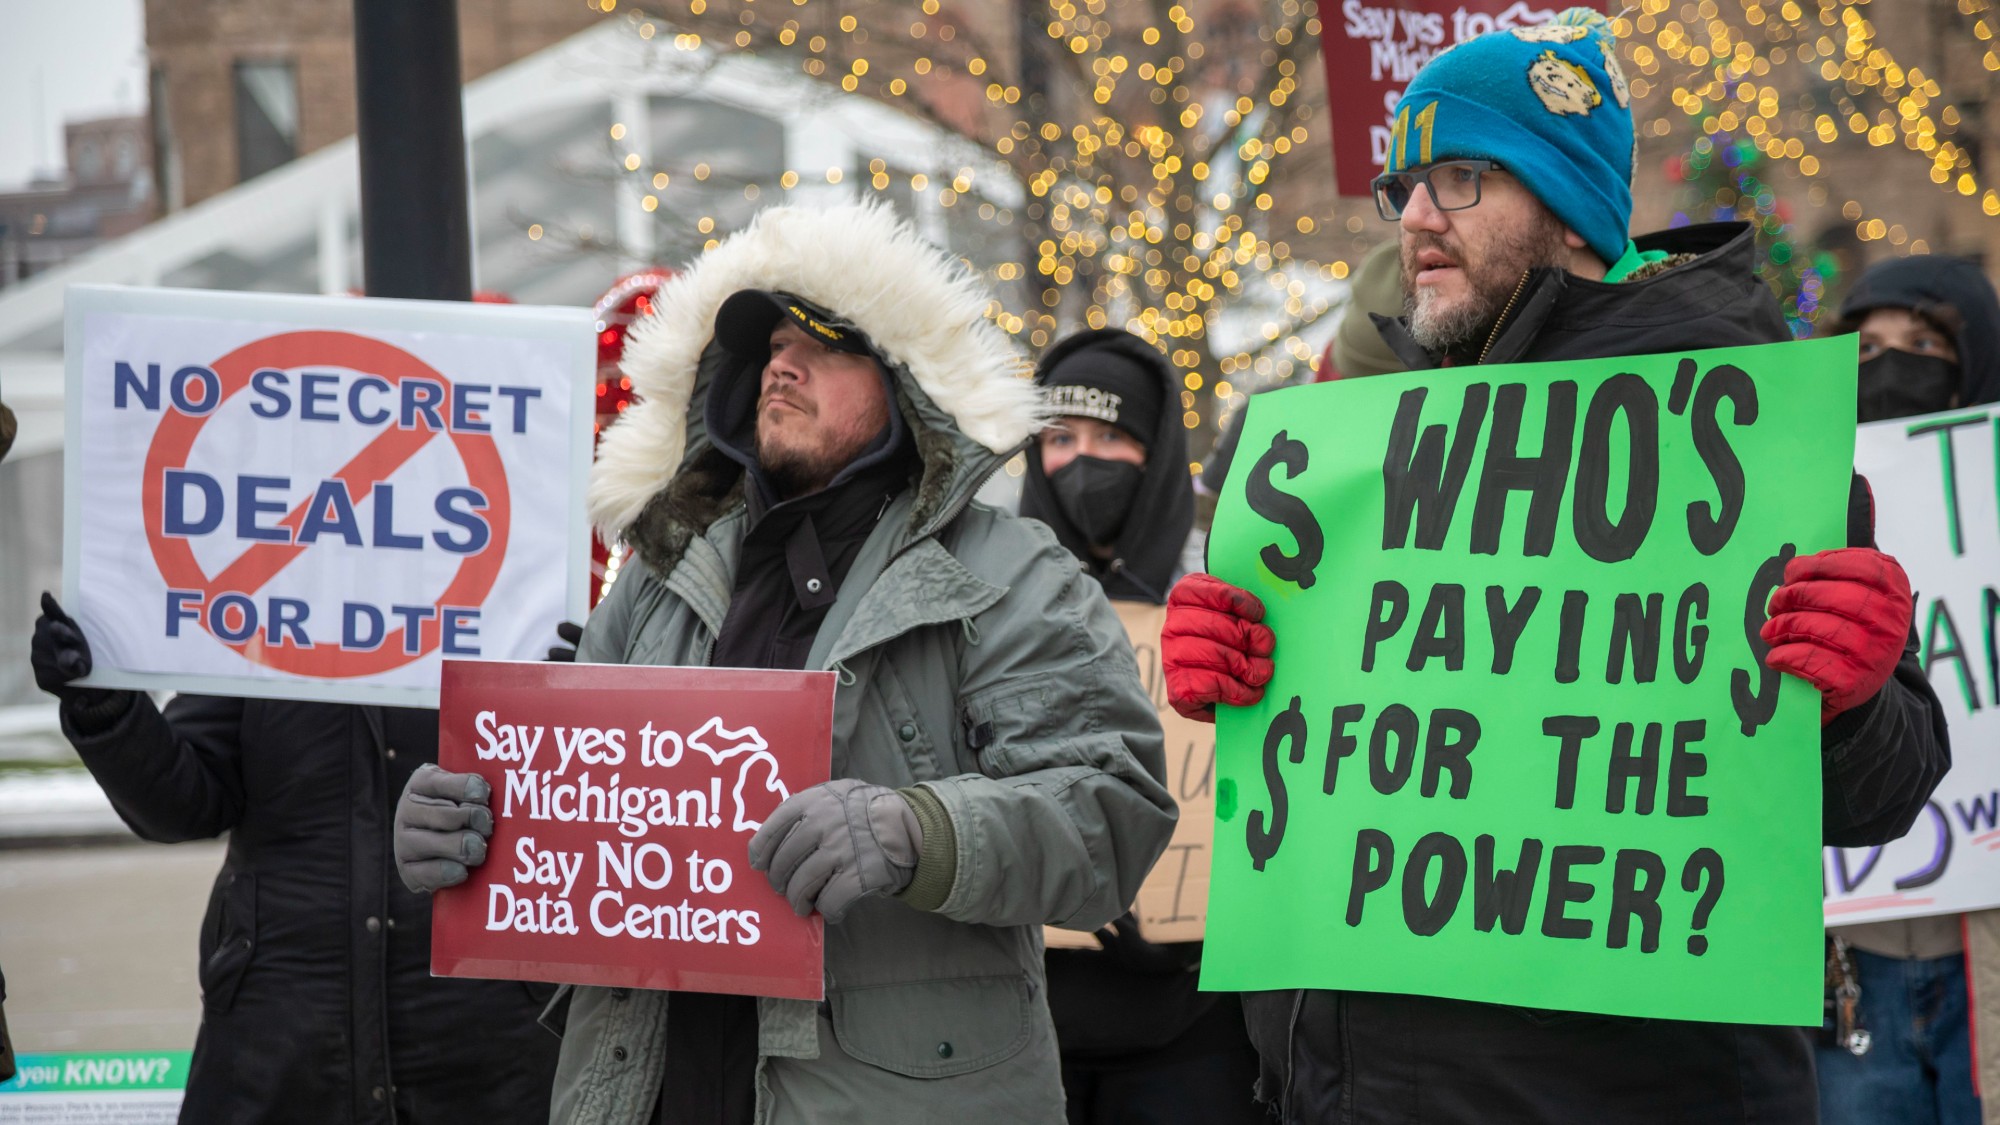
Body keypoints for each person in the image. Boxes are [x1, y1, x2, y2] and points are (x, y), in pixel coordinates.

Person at [1158, 10, 1951, 1123]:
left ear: (1568, 205)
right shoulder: (1366, 446)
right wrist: (1245, 672)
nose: (1416, 219)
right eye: (1404, 187)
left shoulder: (1732, 428)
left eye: (1462, 176)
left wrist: (1850, 700)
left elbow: (1890, 792)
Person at [392, 201, 1179, 1125]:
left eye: (826, 343)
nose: (782, 363)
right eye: (768, 345)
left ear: (906, 381)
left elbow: (1111, 813)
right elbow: (577, 830)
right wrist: (469, 834)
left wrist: (921, 831)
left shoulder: (1010, 575)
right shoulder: (656, 580)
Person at [29, 598, 562, 1123]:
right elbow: (181, 806)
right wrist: (106, 708)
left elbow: (594, 813)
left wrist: (585, 707)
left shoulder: (524, 604)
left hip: (485, 1035)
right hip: (281, 1036)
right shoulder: (265, 611)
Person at [1019, 329, 1261, 1124]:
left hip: (1191, 1027)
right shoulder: (991, 593)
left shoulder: (1230, 584)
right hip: (1025, 1022)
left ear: (1155, 448)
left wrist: (1201, 930)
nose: (1081, 461)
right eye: (1059, 436)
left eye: (1111, 435)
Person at [1817, 254, 2000, 1125]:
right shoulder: (1795, 502)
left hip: (1984, 946)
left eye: (1923, 344)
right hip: (1849, 955)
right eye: (1864, 348)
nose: (1889, 369)